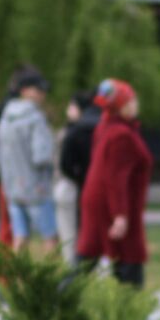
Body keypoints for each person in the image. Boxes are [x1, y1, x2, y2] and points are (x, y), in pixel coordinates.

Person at [77, 79, 152, 287]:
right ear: (122, 106)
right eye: (132, 100)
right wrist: (120, 214)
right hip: (114, 204)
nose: (136, 104)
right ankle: (130, 310)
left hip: (99, 200)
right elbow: (115, 177)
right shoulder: (121, 135)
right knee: (128, 257)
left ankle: (58, 302)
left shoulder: (107, 127)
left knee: (88, 258)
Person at [0, 71, 57, 254]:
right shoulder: (35, 119)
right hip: (36, 189)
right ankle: (52, 281)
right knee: (50, 237)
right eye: (38, 90)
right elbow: (41, 156)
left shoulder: (5, 118)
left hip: (13, 188)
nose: (42, 95)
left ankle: (17, 279)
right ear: (24, 91)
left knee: (20, 238)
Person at [56, 90, 99, 265]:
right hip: (92, 187)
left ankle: (74, 273)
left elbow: (64, 164)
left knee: (71, 238)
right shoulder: (101, 127)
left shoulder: (73, 131)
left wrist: (78, 177)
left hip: (72, 187)